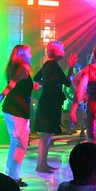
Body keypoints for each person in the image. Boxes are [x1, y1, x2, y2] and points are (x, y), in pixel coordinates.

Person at [0, 45, 37, 187]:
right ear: (23, 54)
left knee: (16, 142)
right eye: (29, 52)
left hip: (13, 109)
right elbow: (12, 84)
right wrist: (1, 95)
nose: (31, 54)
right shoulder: (23, 67)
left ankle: (11, 173)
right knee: (20, 144)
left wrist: (33, 86)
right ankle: (13, 177)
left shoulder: (15, 67)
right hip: (17, 111)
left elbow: (16, 85)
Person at [33, 41, 78, 173]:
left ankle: (42, 164)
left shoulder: (50, 65)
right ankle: (41, 165)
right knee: (46, 136)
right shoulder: (52, 65)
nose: (63, 50)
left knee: (46, 136)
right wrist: (70, 67)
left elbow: (36, 78)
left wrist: (45, 85)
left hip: (48, 102)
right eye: (61, 48)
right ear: (55, 51)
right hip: (49, 104)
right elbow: (67, 83)